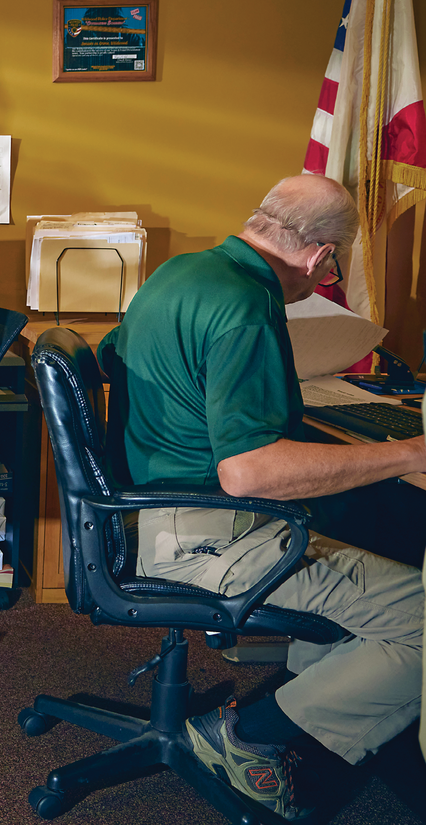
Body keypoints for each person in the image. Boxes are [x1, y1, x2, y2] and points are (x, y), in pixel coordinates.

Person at [99, 173, 426, 820]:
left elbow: (115, 359)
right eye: (332, 269)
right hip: (209, 533)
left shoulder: (178, 273)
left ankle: (327, 696)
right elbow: (248, 474)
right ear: (321, 255)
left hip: (146, 516)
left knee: (369, 520)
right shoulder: (246, 303)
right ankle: (249, 736)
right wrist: (413, 452)